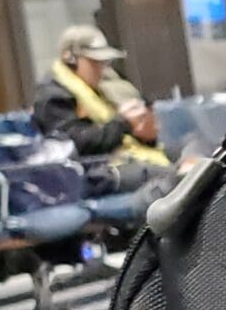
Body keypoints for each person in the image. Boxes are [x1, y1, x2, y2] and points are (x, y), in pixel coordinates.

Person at [31, 25, 176, 201]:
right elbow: (77, 145)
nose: (101, 69)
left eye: (103, 62)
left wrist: (144, 132)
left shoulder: (98, 88)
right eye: (94, 62)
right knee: (179, 178)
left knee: (194, 155)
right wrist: (124, 123)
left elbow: (117, 130)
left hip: (123, 157)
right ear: (71, 60)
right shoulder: (54, 98)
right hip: (98, 173)